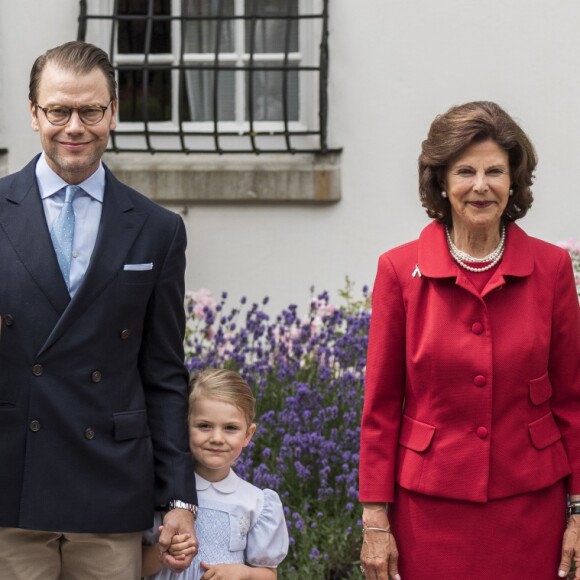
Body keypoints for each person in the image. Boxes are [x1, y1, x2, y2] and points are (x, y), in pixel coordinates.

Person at [0, 41, 198, 579]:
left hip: (109, 485)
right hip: (11, 481)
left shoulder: (158, 229)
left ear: (113, 112)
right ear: (34, 113)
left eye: (91, 110)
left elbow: (163, 373)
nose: (74, 127)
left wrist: (179, 496)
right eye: (59, 110)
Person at [358, 101, 580, 579]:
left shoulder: (552, 269)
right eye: (465, 171)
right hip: (428, 508)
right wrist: (375, 519)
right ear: (441, 180)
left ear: (514, 180)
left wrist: (579, 512)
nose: (481, 186)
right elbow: (379, 407)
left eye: (495, 171)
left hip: (530, 505)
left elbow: (571, 400)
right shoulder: (399, 271)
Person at [142, 368, 289, 580]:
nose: (217, 438)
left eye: (230, 428)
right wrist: (162, 552)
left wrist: (243, 573)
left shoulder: (256, 502)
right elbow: (134, 565)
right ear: (184, 427)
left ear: (248, 434)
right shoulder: (164, 493)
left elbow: (269, 575)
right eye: (204, 426)